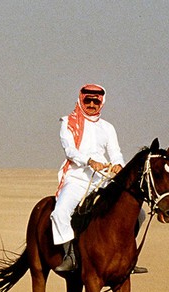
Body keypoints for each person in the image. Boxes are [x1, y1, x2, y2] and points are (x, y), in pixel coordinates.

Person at [51, 84, 147, 273]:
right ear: (81, 99)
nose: (92, 104)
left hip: (102, 179)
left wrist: (119, 164)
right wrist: (88, 161)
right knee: (59, 212)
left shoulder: (108, 127)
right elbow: (69, 150)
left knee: (139, 213)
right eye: (88, 100)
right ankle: (69, 254)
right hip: (77, 177)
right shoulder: (69, 122)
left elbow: (115, 152)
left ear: (102, 102)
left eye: (96, 101)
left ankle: (128, 257)